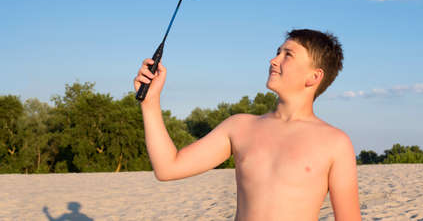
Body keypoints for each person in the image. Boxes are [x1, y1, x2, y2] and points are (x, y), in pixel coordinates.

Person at [134, 29, 361, 221]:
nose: (273, 60)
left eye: (288, 55)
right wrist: (150, 102)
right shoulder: (240, 127)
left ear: (313, 77)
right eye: (277, 52)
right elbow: (168, 168)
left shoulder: (334, 143)